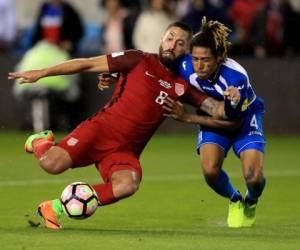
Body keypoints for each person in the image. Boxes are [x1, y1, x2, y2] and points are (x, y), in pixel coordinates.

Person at [8, 21, 241, 230]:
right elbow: (87, 65)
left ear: (187, 51)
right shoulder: (137, 59)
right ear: (162, 39)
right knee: (50, 164)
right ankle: (41, 142)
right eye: (170, 38)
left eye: (180, 43)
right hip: (99, 131)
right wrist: (42, 73)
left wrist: (234, 100)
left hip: (125, 151)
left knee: (128, 184)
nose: (172, 45)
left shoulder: (184, 85)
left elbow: (217, 109)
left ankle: (54, 208)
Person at [164, 17, 266, 228]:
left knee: (253, 177)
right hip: (212, 117)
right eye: (195, 59)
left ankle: (251, 200)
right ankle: (235, 199)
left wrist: (188, 117)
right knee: (210, 171)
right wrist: (116, 75)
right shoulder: (184, 65)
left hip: (244, 120)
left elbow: (234, 124)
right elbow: (151, 66)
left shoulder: (236, 79)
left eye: (206, 60)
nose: (199, 65)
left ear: (219, 58)